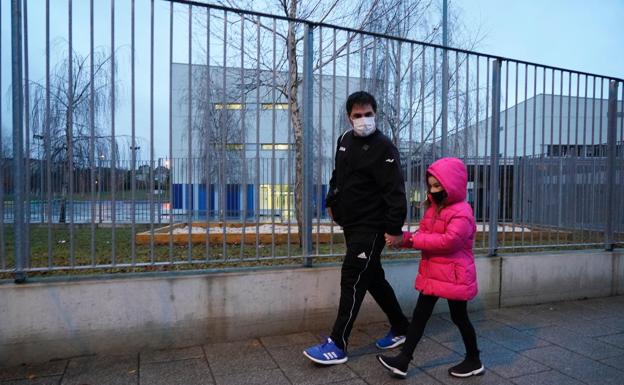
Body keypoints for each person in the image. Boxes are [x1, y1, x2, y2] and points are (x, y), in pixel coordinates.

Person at [303, 91, 410, 365]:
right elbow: (338, 174)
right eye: (357, 116)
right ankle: (401, 327)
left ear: (376, 114)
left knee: (352, 276)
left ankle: (337, 343)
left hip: (372, 226)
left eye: (368, 114)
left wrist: (394, 228)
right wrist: (331, 201)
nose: (364, 120)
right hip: (351, 222)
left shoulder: (385, 148)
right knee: (372, 276)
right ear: (349, 118)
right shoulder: (344, 140)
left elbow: (395, 191)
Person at [376, 157, 484, 379]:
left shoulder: (462, 212)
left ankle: (474, 359)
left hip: (454, 274)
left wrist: (412, 241)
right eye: (431, 186)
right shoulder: (434, 210)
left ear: (451, 185)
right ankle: (403, 361)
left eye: (437, 186)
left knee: (459, 317)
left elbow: (448, 241)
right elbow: (424, 235)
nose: (432, 190)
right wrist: (402, 239)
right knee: (419, 316)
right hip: (435, 272)